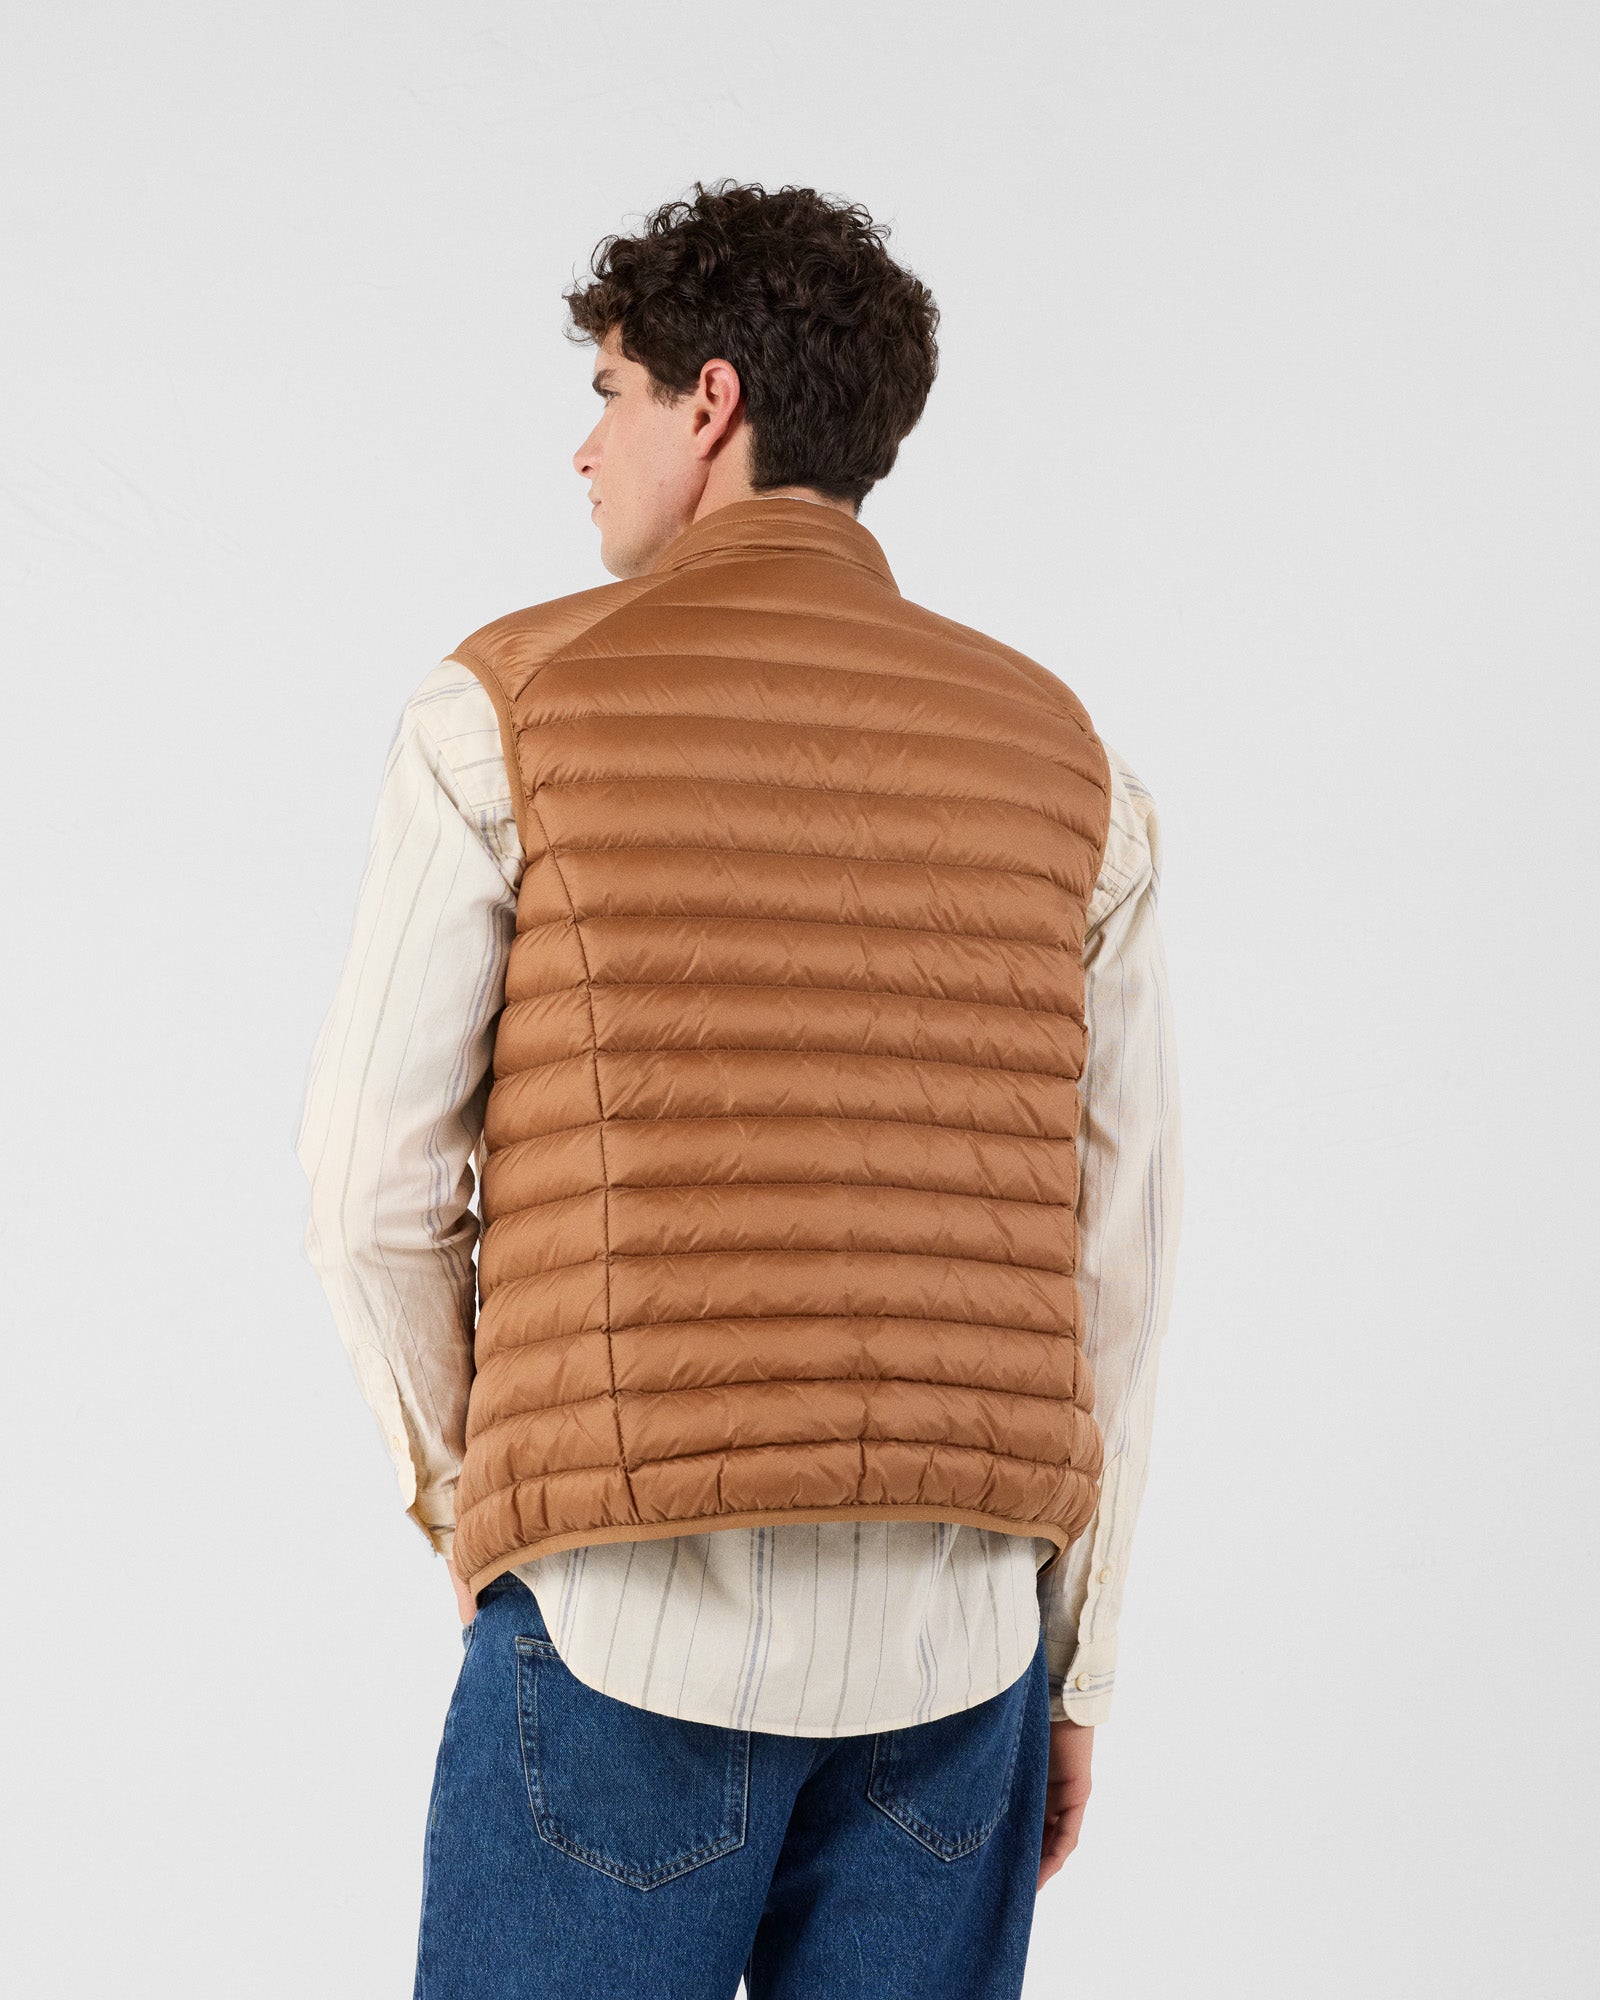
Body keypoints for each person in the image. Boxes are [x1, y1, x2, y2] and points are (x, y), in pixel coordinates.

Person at [296, 178, 1182, 2000]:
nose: (582, 449)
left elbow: (369, 1194)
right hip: (959, 1664)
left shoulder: (503, 711)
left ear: (711, 405)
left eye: (607, 391)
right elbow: (1118, 1263)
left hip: (618, 1632)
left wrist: (481, 1511)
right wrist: (1078, 1660)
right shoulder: (1072, 764)